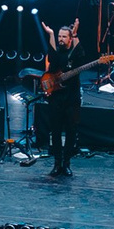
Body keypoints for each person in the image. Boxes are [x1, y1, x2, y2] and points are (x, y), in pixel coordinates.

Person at [39, 23, 90, 177]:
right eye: (60, 36)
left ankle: (67, 164)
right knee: (55, 131)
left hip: (72, 99)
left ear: (69, 39)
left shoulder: (74, 55)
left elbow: (80, 54)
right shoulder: (57, 54)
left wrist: (75, 35)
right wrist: (51, 34)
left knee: (70, 131)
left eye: (63, 37)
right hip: (56, 98)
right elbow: (52, 56)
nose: (61, 39)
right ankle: (56, 164)